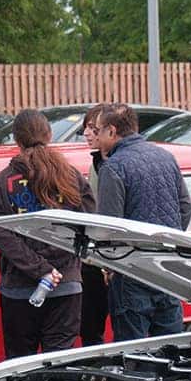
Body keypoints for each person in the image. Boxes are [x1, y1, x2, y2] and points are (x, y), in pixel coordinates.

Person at [0, 108, 95, 358]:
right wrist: (62, 261)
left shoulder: (4, 182)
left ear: (16, 140)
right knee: (59, 363)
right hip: (66, 286)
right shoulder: (70, 175)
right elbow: (89, 220)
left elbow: (1, 234)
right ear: (48, 134)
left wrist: (40, 269)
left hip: (19, 289)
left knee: (21, 366)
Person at [91, 102, 191, 340]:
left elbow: (109, 228)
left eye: (98, 130)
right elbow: (186, 207)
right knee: (170, 347)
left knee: (134, 353)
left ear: (112, 131)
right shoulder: (166, 157)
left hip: (132, 271)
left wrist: (109, 266)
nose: (96, 136)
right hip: (168, 267)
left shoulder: (113, 167)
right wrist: (170, 238)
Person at [79, 104, 111, 347]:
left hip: (109, 258)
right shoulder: (95, 163)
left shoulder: (112, 164)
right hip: (95, 256)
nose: (87, 134)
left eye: (92, 128)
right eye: (86, 128)